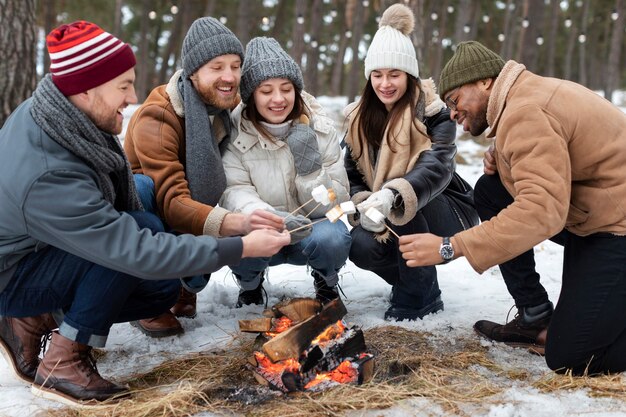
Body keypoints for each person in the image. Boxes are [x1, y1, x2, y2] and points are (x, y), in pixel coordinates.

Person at [0, 21, 290, 405]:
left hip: (33, 248)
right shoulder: (51, 175)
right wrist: (239, 245)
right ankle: (63, 361)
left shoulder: (57, 110)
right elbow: (135, 249)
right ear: (85, 89)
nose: (132, 96)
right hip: (12, 275)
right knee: (136, 258)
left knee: (150, 248)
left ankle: (33, 319)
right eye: (122, 86)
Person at [398, 40, 626, 375]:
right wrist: (504, 161)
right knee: (491, 190)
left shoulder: (524, 112)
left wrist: (451, 246)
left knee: (571, 356)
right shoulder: (524, 100)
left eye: (455, 99)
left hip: (616, 227)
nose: (452, 112)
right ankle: (535, 314)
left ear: (485, 82)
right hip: (597, 215)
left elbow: (541, 212)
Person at [124, 17, 285, 336]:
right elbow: (171, 201)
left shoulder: (223, 107)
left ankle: (187, 285)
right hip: (154, 213)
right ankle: (145, 296)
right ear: (193, 72)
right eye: (217, 67)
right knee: (142, 190)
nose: (229, 77)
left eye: (235, 66)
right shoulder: (157, 117)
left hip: (193, 210)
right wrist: (241, 224)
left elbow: (279, 102)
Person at [344, 4, 478, 321]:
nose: (385, 83)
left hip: (445, 211)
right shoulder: (358, 119)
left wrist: (392, 194)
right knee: (360, 246)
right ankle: (411, 280)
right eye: (377, 75)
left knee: (408, 204)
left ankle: (420, 298)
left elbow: (438, 166)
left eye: (394, 74)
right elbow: (350, 172)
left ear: (409, 75)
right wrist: (365, 201)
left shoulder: (434, 113)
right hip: (385, 209)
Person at [220, 37, 352, 305]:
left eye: (286, 89)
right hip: (263, 232)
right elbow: (234, 192)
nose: (278, 99)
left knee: (333, 234)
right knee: (235, 234)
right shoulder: (234, 134)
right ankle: (251, 285)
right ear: (251, 96)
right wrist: (269, 217)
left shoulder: (320, 129)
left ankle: (326, 281)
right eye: (266, 91)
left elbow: (337, 199)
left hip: (311, 229)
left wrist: (310, 171)